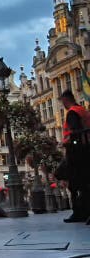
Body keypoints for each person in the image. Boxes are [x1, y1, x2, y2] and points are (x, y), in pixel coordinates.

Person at [58, 90, 90, 223]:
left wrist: (67, 143)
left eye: (63, 102)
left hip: (76, 152)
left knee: (74, 183)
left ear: (66, 100)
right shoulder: (82, 110)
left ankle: (79, 212)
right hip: (86, 148)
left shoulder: (72, 112)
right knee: (85, 182)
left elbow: (75, 132)